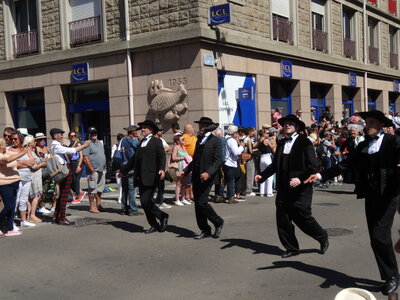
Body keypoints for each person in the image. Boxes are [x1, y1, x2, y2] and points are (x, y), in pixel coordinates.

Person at [305, 110, 400, 296]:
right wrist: (320, 175)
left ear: (382, 125)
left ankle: (392, 276)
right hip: (371, 194)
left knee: (380, 235)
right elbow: (345, 164)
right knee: (375, 237)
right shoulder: (364, 145)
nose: (368, 125)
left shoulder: (393, 141)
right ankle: (390, 274)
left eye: (372, 122)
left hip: (389, 194)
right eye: (367, 122)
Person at [255, 114, 329, 258]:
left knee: (302, 216)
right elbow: (275, 165)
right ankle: (291, 248)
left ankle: (321, 235)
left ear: (297, 127)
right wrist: (262, 176)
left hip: (301, 188)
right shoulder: (281, 142)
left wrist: (300, 179)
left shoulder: (304, 142)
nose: (287, 125)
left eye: (290, 123)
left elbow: (314, 165)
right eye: (285, 123)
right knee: (283, 218)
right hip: (283, 188)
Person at [178, 117, 224, 239]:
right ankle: (205, 230)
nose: (200, 127)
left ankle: (218, 221)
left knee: (202, 202)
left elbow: (218, 160)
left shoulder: (215, 141)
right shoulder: (199, 140)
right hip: (197, 176)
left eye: (202, 125)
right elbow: (195, 160)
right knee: (197, 205)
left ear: (208, 126)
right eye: (199, 125)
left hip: (208, 176)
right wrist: (185, 170)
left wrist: (208, 173)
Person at [120, 120, 169, 234]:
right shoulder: (141, 142)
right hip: (140, 177)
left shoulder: (157, 141)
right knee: (145, 202)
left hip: (152, 176)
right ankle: (154, 224)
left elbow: (161, 156)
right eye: (142, 128)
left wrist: (162, 169)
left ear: (151, 130)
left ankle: (162, 216)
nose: (142, 129)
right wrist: (123, 171)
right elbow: (133, 159)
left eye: (145, 128)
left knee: (145, 200)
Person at [50, 128, 90, 225]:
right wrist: (84, 145)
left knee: (62, 194)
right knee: (64, 194)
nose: (62, 135)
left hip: (63, 170)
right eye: (60, 134)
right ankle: (62, 218)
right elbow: (72, 150)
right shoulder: (56, 146)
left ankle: (57, 215)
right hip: (64, 170)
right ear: (55, 136)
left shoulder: (55, 145)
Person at [0, 138, 28, 237]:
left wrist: (24, 148)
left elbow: (15, 156)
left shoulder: (7, 152)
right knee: (8, 207)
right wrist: (23, 151)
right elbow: (8, 160)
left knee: (12, 207)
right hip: (4, 183)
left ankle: (9, 229)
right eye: (1, 144)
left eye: (3, 144)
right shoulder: (1, 155)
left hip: (15, 182)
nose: (2, 146)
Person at [10, 132, 35, 228]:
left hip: (27, 177)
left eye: (15, 139)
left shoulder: (26, 149)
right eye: (12, 139)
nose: (13, 141)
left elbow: (32, 162)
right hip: (17, 177)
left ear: (20, 139)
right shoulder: (10, 150)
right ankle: (11, 222)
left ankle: (23, 220)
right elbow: (13, 163)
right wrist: (25, 163)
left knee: (24, 199)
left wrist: (20, 162)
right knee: (15, 199)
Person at [83, 127, 107, 213]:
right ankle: (92, 207)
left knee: (100, 189)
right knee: (92, 189)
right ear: (89, 134)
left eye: (95, 133)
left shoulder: (100, 143)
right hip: (93, 171)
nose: (94, 134)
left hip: (101, 170)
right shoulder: (87, 144)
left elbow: (102, 155)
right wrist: (92, 170)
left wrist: (104, 166)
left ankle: (99, 205)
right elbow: (85, 159)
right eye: (92, 133)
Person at [120, 125, 142, 215]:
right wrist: (139, 139)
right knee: (132, 189)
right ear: (133, 132)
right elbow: (140, 147)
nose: (137, 132)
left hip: (123, 167)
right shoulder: (133, 141)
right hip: (131, 167)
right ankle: (133, 209)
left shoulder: (123, 140)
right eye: (136, 131)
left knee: (124, 189)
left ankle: (124, 208)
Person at [223, 125, 244, 204]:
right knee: (231, 181)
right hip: (230, 163)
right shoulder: (232, 140)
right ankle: (231, 197)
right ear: (234, 133)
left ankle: (220, 195)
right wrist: (241, 146)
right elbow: (236, 152)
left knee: (225, 180)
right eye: (236, 132)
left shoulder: (225, 138)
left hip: (225, 162)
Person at [171, 134, 192, 206]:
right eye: (182, 139)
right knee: (179, 183)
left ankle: (183, 198)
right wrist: (183, 158)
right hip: (179, 166)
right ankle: (177, 199)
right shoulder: (176, 147)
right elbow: (173, 158)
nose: (184, 140)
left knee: (184, 183)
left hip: (185, 166)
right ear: (177, 141)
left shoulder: (183, 147)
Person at [154, 125, 171, 208]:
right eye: (160, 131)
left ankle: (160, 200)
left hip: (160, 165)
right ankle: (158, 201)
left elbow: (168, 148)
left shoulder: (161, 140)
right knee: (155, 184)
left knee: (161, 184)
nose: (162, 132)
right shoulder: (152, 140)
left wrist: (160, 152)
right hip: (154, 166)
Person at [68, 132, 86, 204]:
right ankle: (80, 192)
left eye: (74, 135)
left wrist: (79, 165)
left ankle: (78, 196)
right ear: (69, 137)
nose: (73, 137)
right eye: (71, 136)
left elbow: (81, 156)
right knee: (72, 181)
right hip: (71, 164)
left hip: (77, 163)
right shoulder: (69, 146)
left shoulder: (78, 144)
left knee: (76, 180)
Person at [258, 128, 276, 197]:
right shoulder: (266, 140)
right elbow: (273, 149)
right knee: (269, 175)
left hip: (261, 158)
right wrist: (274, 140)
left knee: (262, 175)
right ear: (263, 134)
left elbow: (254, 146)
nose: (269, 134)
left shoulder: (259, 140)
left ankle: (262, 192)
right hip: (267, 157)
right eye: (267, 133)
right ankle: (268, 192)